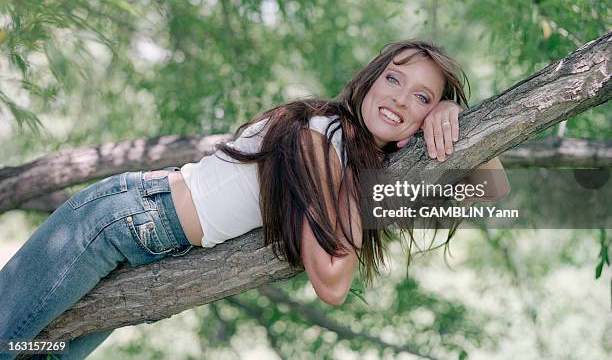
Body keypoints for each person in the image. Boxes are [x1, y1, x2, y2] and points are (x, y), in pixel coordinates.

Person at [0, 40, 510, 359]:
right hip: (117, 222)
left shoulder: (362, 167)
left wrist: (456, 121)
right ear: (368, 81)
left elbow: (492, 192)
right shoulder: (319, 135)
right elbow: (332, 283)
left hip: (145, 253)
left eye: (421, 96)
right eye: (393, 79)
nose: (400, 98)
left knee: (38, 352)